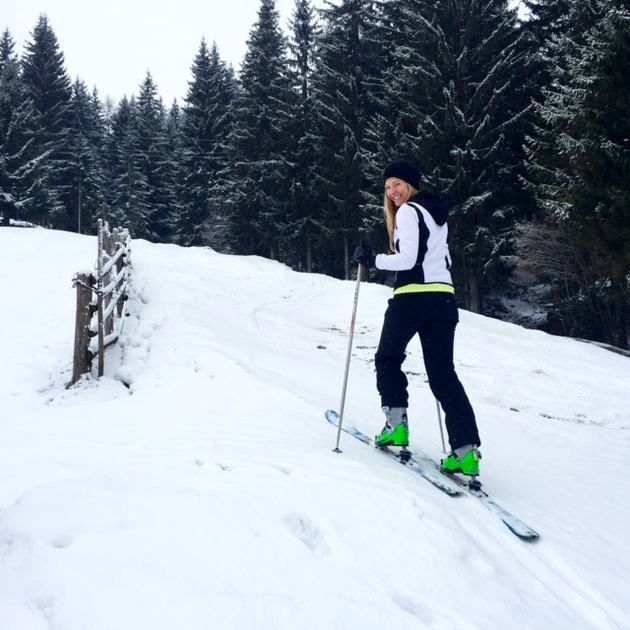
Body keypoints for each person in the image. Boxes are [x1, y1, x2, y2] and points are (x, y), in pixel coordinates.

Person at [353, 159, 481, 476]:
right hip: (444, 299)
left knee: (387, 357)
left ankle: (396, 425)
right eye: (387, 187)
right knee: (442, 375)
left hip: (413, 297)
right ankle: (465, 451)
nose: (392, 192)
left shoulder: (409, 211)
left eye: (397, 184)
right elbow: (443, 257)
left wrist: (372, 260)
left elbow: (408, 259)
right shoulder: (436, 215)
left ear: (411, 184)